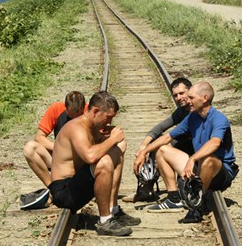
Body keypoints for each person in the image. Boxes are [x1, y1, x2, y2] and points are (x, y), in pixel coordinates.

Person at [134, 81, 237, 224]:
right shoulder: (192, 117)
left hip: (220, 172)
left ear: (205, 98)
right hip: (198, 167)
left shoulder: (219, 118)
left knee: (208, 160)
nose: (188, 101)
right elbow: (167, 137)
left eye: (191, 97)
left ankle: (197, 207)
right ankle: (174, 198)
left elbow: (214, 143)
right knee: (162, 150)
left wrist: (192, 159)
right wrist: (143, 151)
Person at [50, 91, 140, 236]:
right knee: (104, 162)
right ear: (96, 111)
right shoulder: (76, 127)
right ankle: (105, 222)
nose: (109, 122)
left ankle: (113, 210)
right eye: (108, 117)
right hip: (64, 192)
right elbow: (90, 157)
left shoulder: (91, 127)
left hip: (76, 184)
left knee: (118, 148)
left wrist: (111, 137)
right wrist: (112, 139)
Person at [124, 77, 193, 203]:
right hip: (187, 145)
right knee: (156, 145)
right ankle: (147, 188)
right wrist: (144, 145)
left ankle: (154, 190)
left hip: (196, 150)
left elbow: (168, 136)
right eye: (175, 95)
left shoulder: (195, 112)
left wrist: (144, 151)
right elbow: (160, 127)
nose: (178, 98)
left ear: (191, 91)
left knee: (160, 147)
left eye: (182, 93)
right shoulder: (182, 111)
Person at [20, 91, 87, 210]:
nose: (75, 121)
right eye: (71, 117)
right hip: (61, 161)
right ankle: (55, 189)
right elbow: (39, 137)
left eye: (79, 117)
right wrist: (59, 148)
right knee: (30, 148)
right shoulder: (56, 108)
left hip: (82, 160)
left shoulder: (90, 112)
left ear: (84, 108)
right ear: (65, 108)